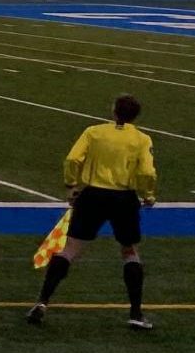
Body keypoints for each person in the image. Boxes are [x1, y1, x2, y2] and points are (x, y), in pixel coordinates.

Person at [29, 94, 158, 330]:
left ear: (114, 111)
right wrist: (148, 194)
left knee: (69, 250)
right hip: (123, 197)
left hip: (93, 195)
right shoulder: (141, 139)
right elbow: (148, 172)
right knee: (129, 251)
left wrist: (71, 185)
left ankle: (42, 302)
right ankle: (136, 313)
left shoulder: (94, 132)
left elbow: (72, 158)